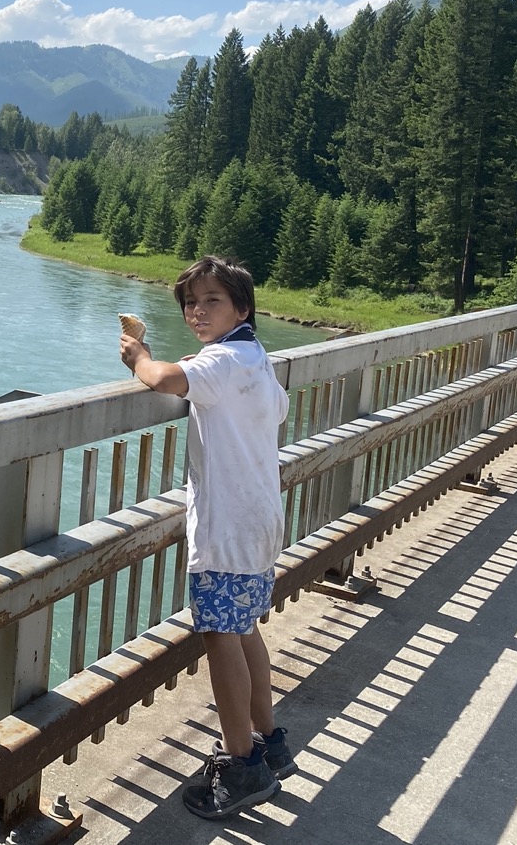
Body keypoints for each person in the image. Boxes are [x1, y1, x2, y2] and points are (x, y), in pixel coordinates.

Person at [119, 255, 294, 819]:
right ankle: (268, 742)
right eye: (191, 303)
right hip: (260, 521)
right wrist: (195, 363)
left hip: (226, 528)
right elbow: (265, 407)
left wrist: (139, 356)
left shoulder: (221, 361)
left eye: (211, 300)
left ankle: (242, 766)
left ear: (241, 307)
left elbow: (164, 380)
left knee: (221, 637)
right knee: (244, 630)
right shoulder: (254, 356)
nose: (197, 310)